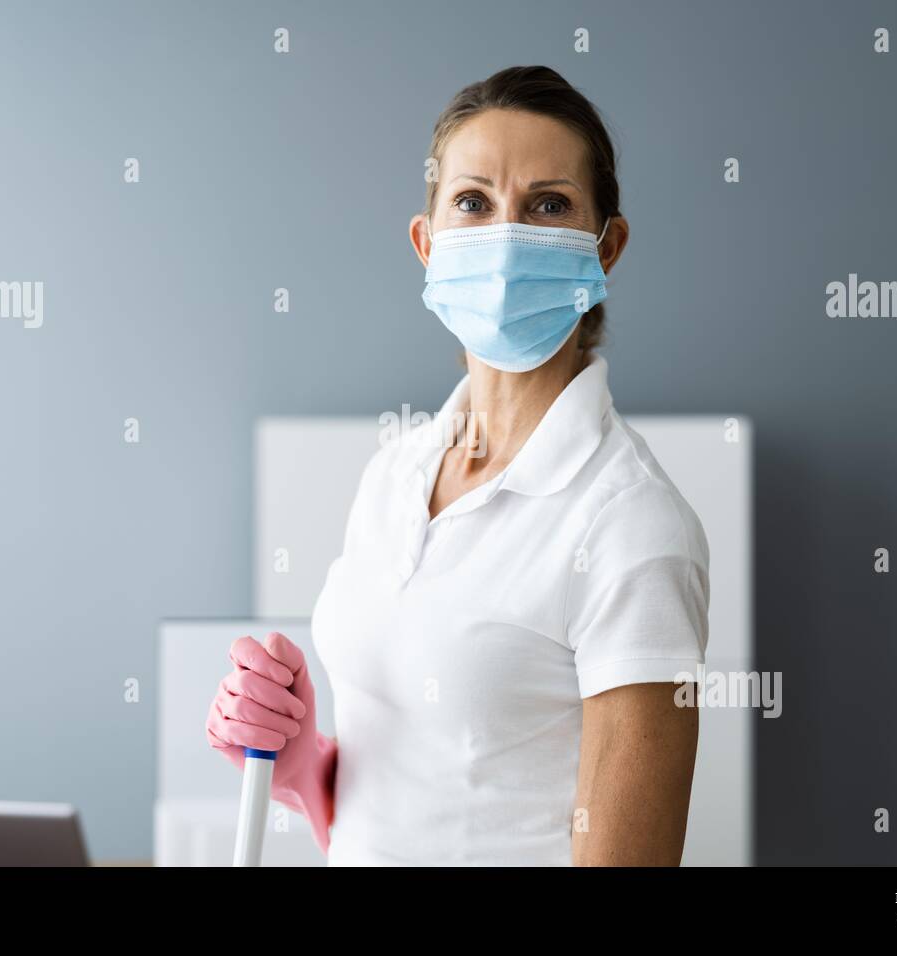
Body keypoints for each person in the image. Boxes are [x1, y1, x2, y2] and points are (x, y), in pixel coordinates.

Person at [206, 65, 710, 866]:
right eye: (472, 203)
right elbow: (405, 800)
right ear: (427, 243)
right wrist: (298, 756)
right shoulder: (396, 472)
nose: (505, 238)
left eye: (548, 206)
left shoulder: (632, 524)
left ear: (605, 247)